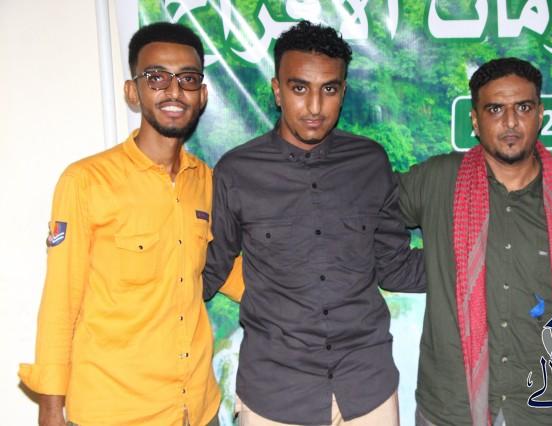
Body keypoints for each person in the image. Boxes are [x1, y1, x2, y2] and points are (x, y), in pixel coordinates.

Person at [19, 22, 243, 426]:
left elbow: (228, 270)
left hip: (197, 409)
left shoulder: (208, 183)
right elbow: (60, 304)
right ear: (132, 91)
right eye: (156, 77)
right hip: (115, 411)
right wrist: (50, 409)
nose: (173, 91)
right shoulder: (86, 181)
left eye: (187, 79)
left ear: (202, 94)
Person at [203, 20, 425, 425]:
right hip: (276, 394)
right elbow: (210, 268)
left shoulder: (370, 162)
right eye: (299, 88)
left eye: (329, 89)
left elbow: (393, 265)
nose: (315, 107)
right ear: (277, 90)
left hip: (367, 387)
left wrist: (478, 260)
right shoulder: (237, 172)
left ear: (343, 91)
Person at [399, 57, 552, 426]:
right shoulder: (437, 180)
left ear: (540, 114)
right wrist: (426, 269)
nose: (511, 122)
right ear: (475, 120)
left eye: (523, 108)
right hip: (452, 409)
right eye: (496, 109)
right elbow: (364, 221)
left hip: (551, 408)